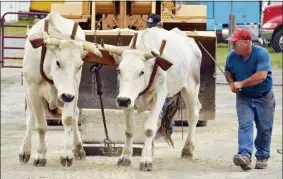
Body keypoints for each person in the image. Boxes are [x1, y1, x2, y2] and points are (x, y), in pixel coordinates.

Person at [225, 28, 275, 170]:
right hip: (244, 97)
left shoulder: (261, 54)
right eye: (232, 43)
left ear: (246, 42)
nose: (232, 45)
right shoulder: (232, 56)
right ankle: (244, 156)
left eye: (235, 43)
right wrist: (231, 84)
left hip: (264, 97)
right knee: (245, 125)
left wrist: (241, 83)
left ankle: (262, 156)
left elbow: (261, 75)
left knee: (264, 129)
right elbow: (228, 70)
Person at [146, 13, 174, 137]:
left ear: (161, 24)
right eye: (150, 26)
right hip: (152, 75)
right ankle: (154, 126)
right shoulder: (148, 37)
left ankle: (167, 128)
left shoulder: (168, 38)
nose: (152, 29)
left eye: (155, 26)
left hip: (167, 73)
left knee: (166, 99)